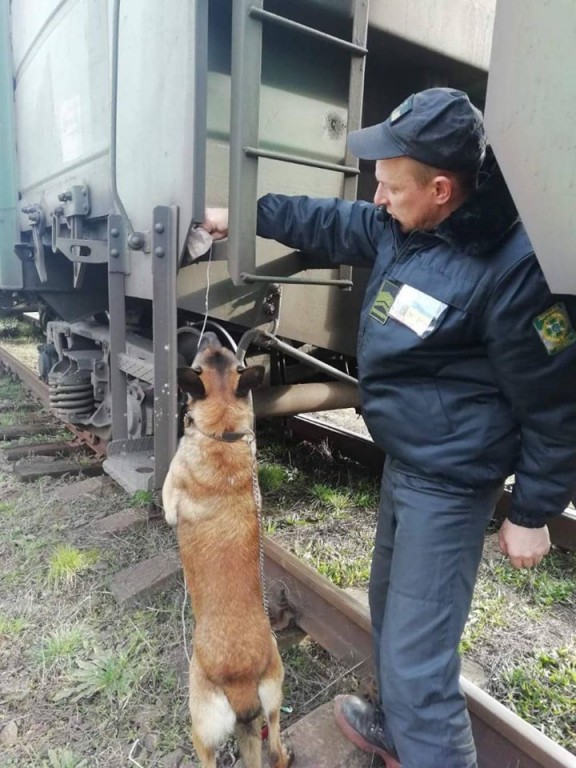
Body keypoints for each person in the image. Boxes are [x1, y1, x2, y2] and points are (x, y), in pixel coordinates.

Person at [201, 88, 576, 768]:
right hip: (408, 462)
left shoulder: (517, 271)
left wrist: (534, 510)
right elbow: (330, 220)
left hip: (453, 481)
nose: (377, 197)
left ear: (440, 188)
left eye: (391, 186)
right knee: (385, 602)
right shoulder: (405, 224)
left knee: (416, 656)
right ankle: (398, 734)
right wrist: (243, 214)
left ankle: (426, 741)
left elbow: (556, 402)